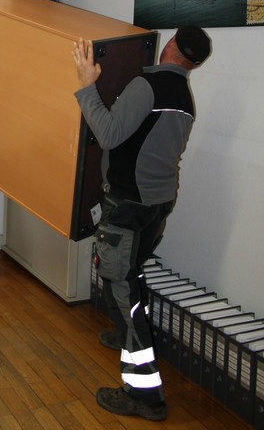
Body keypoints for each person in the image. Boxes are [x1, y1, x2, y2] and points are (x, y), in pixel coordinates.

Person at [72, 26, 211, 421]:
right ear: (195, 64)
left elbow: (108, 134)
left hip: (130, 204)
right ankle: (124, 334)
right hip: (156, 205)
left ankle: (145, 396)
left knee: (123, 289)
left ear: (170, 45)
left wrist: (86, 84)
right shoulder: (184, 97)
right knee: (126, 277)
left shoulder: (148, 86)